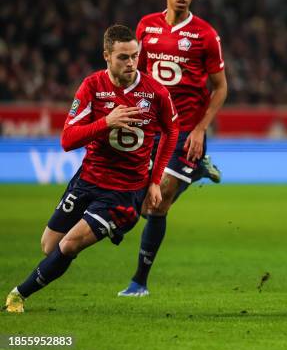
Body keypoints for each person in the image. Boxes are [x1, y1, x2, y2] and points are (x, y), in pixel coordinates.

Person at [4, 25, 178, 313]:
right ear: (106, 56)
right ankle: (109, 229)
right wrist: (106, 122)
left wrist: (155, 180)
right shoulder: (92, 87)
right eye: (123, 57)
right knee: (50, 247)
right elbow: (67, 140)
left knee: (70, 245)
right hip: (87, 179)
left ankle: (18, 296)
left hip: (123, 192)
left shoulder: (155, 92)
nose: (132, 63)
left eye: (135, 56)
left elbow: (172, 131)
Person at [118, 0, 228, 296]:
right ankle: (195, 173)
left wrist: (200, 130)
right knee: (132, 201)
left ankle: (139, 281)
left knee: (159, 201)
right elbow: (136, 72)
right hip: (149, 126)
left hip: (185, 131)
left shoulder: (206, 35)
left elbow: (220, 87)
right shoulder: (146, 27)